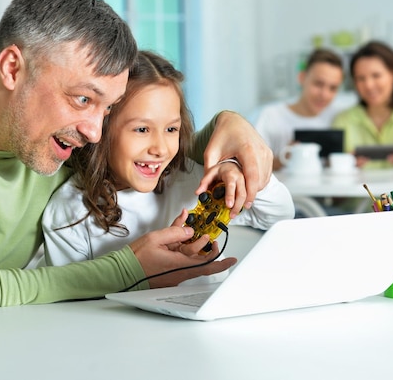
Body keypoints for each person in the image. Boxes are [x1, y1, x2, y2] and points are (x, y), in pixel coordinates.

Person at [0, 0, 274, 315]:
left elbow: (145, 146)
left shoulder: (57, 130)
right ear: (12, 68)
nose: (95, 131)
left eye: (108, 108)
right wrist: (127, 270)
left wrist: (229, 126)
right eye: (83, 99)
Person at [42, 51, 295, 276]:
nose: (160, 149)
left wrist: (235, 169)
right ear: (102, 129)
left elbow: (279, 213)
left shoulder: (192, 181)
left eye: (171, 129)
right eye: (142, 129)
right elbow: (73, 302)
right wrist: (151, 278)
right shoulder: (69, 210)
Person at [331, 40, 393, 169]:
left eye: (376, 75)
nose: (368, 85)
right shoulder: (342, 121)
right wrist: (344, 166)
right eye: (360, 78)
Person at [253, 48, 344, 170]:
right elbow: (253, 164)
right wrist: (282, 159)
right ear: (302, 78)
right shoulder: (271, 116)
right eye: (318, 84)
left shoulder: (338, 117)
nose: (324, 94)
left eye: (332, 88)